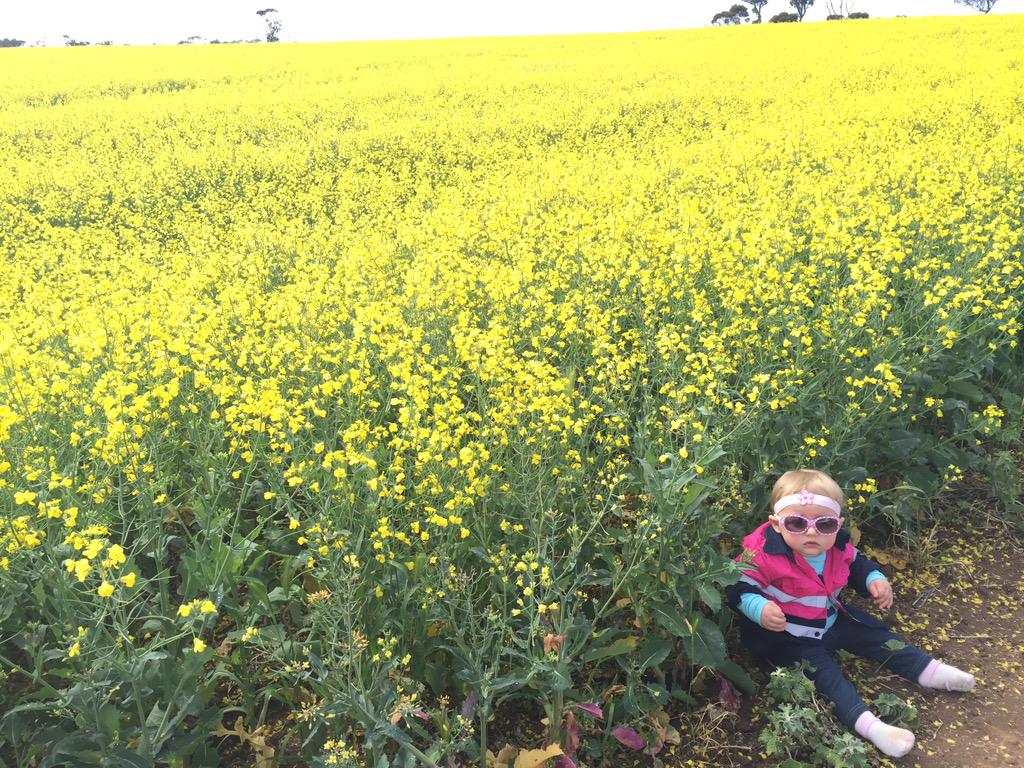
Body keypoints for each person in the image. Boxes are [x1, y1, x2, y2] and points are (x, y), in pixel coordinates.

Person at [725, 468, 975, 758]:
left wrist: (874, 580)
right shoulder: (763, 553)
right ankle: (872, 727)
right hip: (790, 636)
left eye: (825, 524)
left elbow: (857, 564)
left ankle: (929, 670)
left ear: (838, 524)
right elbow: (737, 586)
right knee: (826, 677)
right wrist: (759, 608)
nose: (811, 532)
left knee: (874, 634)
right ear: (777, 524)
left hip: (832, 620)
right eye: (796, 523)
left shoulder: (837, 545)